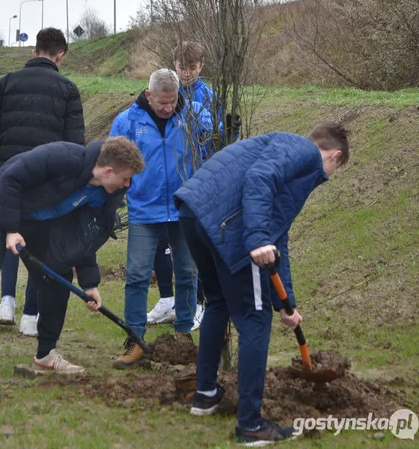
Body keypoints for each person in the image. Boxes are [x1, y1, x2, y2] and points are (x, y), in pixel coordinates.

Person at [174, 122, 350, 445]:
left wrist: (286, 304)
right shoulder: (303, 151)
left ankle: (205, 394)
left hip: (196, 214)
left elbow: (277, 239)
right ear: (334, 156)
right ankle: (251, 424)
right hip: (231, 226)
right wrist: (255, 237)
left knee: (218, 303)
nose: (325, 179)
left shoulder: (286, 150)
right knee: (255, 319)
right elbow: (259, 179)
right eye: (331, 172)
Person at [0, 137, 144, 385]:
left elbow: (83, 238)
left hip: (35, 220)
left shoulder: (99, 195)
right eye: (125, 178)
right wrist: (10, 228)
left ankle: (45, 355)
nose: (127, 184)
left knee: (57, 276)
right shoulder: (61, 156)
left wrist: (90, 283)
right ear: (108, 171)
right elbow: (11, 179)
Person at [0, 27, 85, 336]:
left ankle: (6, 301)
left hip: (5, 177)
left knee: (12, 235)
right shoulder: (68, 89)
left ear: (34, 51)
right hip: (45, 183)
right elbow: (75, 147)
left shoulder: (5, 83)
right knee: (40, 247)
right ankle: (31, 316)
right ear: (60, 56)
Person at [109, 68, 213, 368]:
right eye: (162, 103)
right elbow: (112, 163)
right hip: (144, 209)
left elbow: (214, 139)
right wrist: (113, 203)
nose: (168, 108)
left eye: (173, 102)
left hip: (184, 208)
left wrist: (226, 129)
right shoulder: (127, 121)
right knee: (138, 273)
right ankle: (135, 339)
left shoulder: (193, 114)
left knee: (187, 272)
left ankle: (183, 336)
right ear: (148, 94)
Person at [147, 41, 214, 330]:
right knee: (159, 240)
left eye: (192, 68)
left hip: (193, 176)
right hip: (164, 176)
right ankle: (166, 299)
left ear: (201, 67)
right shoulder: (163, 90)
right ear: (174, 64)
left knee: (192, 244)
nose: (186, 73)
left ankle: (198, 303)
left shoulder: (206, 95)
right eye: (181, 66)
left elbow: (212, 134)